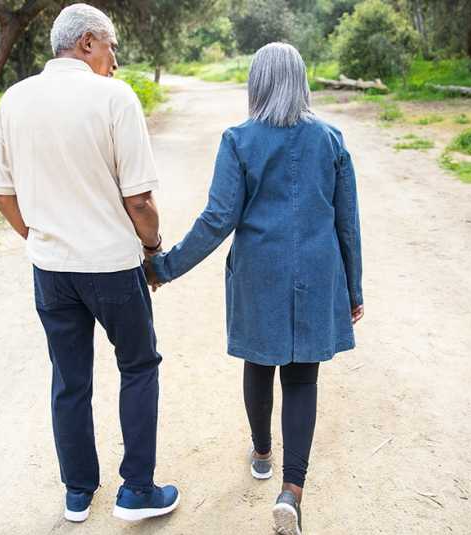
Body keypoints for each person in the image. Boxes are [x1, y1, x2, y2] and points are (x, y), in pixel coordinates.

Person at [146, 42, 363, 535]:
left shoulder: (239, 140)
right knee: (303, 380)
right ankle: (293, 491)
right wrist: (353, 288)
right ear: (302, 82)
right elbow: (347, 222)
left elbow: (219, 218)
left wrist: (165, 266)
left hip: (259, 274)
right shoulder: (331, 139)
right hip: (317, 271)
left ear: (257, 83)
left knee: (259, 364)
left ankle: (262, 452)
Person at [0, 3, 179, 524]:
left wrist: (41, 236)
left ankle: (77, 493)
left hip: (51, 270)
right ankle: (136, 491)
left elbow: (2, 193)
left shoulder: (15, 99)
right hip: (113, 266)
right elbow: (139, 200)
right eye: (112, 47)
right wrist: (153, 249)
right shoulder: (114, 97)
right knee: (138, 367)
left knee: (69, 378)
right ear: (89, 42)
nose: (115, 60)